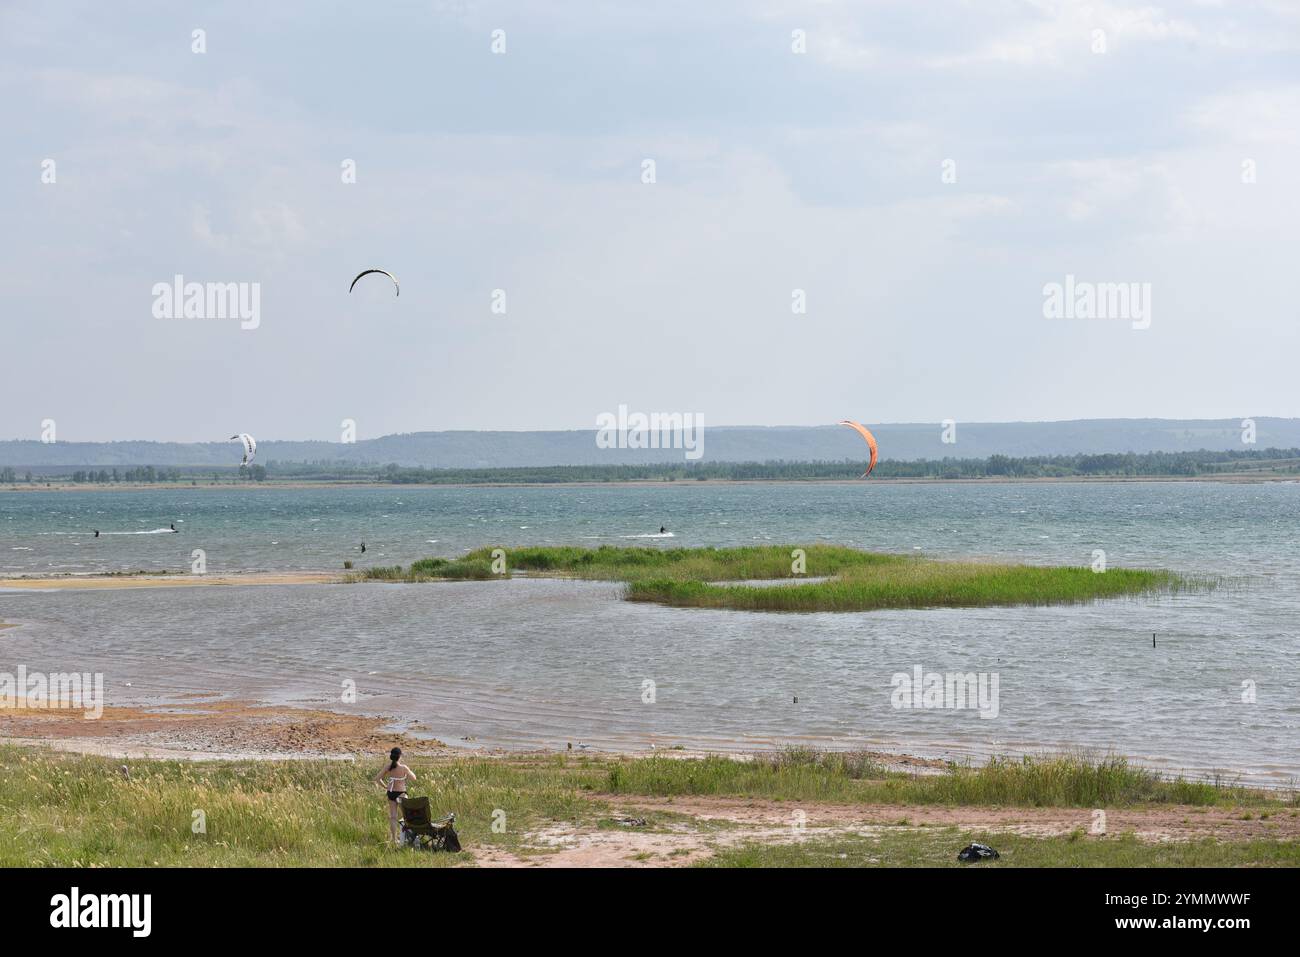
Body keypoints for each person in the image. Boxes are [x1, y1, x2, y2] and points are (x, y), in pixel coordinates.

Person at [374, 747, 416, 845]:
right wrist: (405, 775)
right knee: (407, 816)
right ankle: (409, 837)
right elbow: (414, 778)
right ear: (400, 756)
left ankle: (394, 839)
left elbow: (377, 779)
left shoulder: (387, 767)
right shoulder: (403, 767)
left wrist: (385, 786)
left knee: (393, 816)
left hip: (391, 792)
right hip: (401, 793)